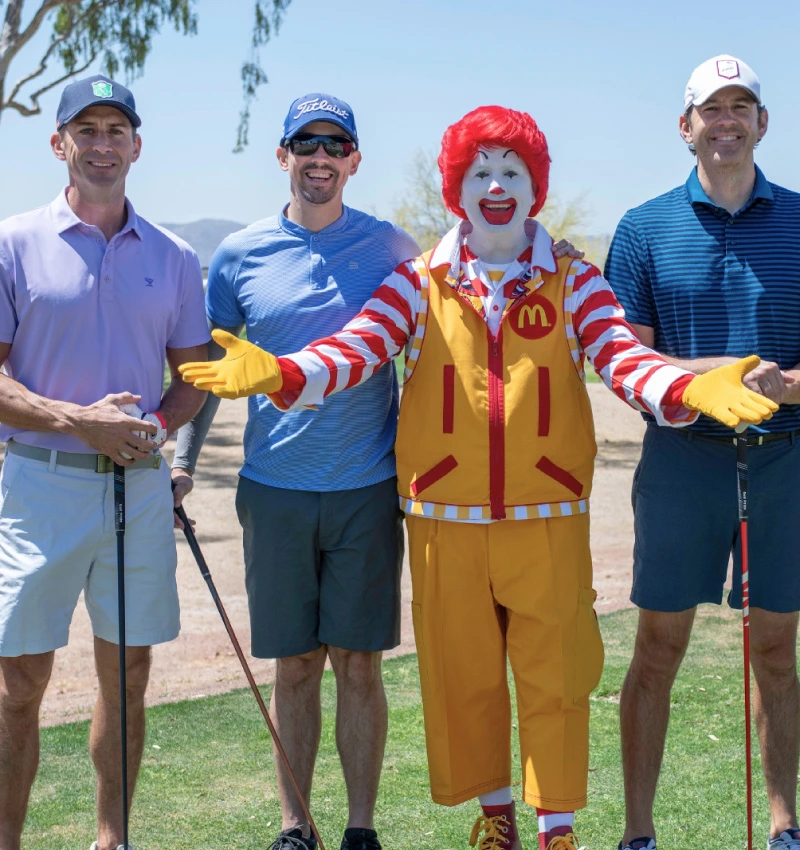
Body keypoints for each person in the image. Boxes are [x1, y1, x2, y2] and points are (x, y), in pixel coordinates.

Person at [179, 104, 776, 850]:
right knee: (466, 680)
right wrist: (283, 371)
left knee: (556, 675)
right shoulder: (418, 280)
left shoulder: (571, 277)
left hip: (546, 517)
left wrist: (686, 390)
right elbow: (356, 348)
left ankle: (556, 825)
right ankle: (496, 818)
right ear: (458, 187)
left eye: (512, 172)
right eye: (481, 172)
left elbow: (623, 356)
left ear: (536, 185)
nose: (497, 186)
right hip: (445, 520)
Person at [171, 92, 583, 850]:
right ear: (284, 154)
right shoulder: (243, 254)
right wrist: (186, 459)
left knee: (365, 665)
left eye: (335, 145)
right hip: (276, 489)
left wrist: (683, 388)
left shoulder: (399, 251)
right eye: (306, 142)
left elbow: (377, 343)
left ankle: (366, 828)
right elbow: (225, 369)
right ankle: (299, 826)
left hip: (369, 490)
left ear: (354, 160)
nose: (319, 156)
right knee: (300, 667)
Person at [604, 55, 800, 850]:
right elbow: (625, 364)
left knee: (775, 647)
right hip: (683, 461)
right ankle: (639, 832)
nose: (727, 120)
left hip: (780, 457)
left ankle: (784, 828)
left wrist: (786, 384)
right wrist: (707, 377)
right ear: (686, 128)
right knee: (658, 645)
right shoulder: (643, 229)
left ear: (761, 123)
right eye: (711, 109)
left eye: (741, 106)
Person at [0, 75, 208, 850]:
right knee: (19, 687)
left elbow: (191, 379)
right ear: (59, 145)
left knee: (127, 681)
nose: (101, 144)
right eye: (85, 130)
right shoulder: (14, 242)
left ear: (137, 147)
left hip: (136, 491)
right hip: (39, 488)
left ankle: (111, 839)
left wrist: (150, 429)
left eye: (115, 130)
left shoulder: (175, 255)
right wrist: (77, 421)